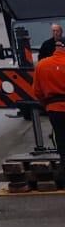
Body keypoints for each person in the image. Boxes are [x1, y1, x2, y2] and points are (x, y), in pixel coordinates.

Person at [31, 37, 65, 172]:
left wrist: (46, 105)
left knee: (61, 140)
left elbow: (37, 91)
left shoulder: (42, 65)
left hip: (54, 109)